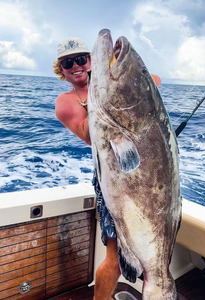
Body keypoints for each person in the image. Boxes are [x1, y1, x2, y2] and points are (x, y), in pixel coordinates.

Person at [53, 37, 161, 300]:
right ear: (61, 69)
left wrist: (115, 73)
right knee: (114, 259)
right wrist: (105, 94)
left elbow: (153, 79)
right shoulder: (65, 102)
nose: (76, 66)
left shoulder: (109, 82)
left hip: (142, 176)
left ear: (91, 60)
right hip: (111, 182)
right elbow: (89, 134)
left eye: (81, 59)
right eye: (68, 62)